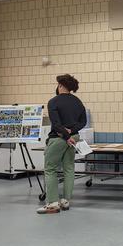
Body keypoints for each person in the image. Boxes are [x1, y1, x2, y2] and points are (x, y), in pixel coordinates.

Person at [37, 74, 86, 214]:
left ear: (60, 86)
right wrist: (71, 132)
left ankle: (52, 203)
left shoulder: (53, 102)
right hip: (74, 138)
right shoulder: (78, 102)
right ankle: (65, 201)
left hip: (59, 139)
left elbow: (56, 124)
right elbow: (83, 122)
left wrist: (65, 135)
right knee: (69, 168)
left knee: (50, 169)